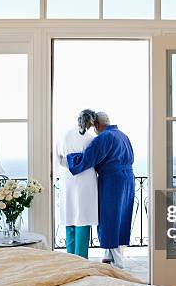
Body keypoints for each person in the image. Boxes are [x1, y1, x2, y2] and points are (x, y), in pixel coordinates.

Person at [67, 111, 135, 269]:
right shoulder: (123, 135)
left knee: (110, 218)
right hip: (128, 179)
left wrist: (71, 158)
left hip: (112, 180)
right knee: (122, 217)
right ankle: (108, 255)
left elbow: (89, 158)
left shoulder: (104, 137)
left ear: (97, 125)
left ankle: (118, 262)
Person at [56, 109, 99, 259]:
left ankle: (70, 258)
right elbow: (96, 160)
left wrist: (69, 164)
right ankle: (81, 258)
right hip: (86, 179)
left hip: (68, 178)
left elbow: (59, 159)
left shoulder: (64, 135)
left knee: (70, 215)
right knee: (83, 217)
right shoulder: (91, 140)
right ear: (91, 123)